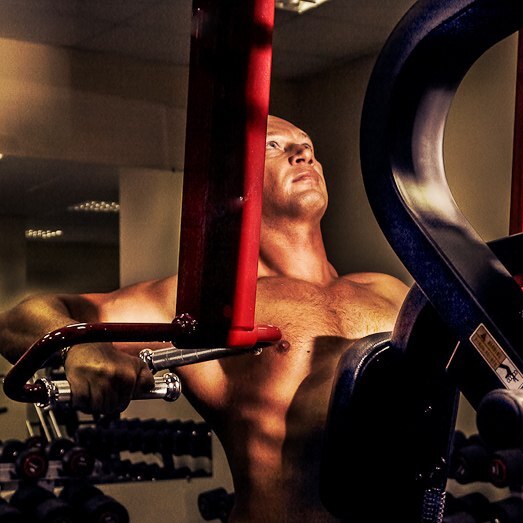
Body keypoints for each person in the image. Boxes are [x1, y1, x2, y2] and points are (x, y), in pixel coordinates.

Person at [0, 116, 409, 522]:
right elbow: (17, 319)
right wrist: (79, 347)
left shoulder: (390, 292)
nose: (302, 153)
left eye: (308, 146)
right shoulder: (209, 303)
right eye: (273, 145)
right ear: (233, 183)